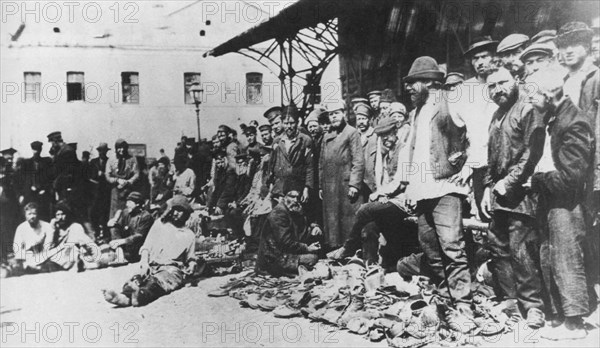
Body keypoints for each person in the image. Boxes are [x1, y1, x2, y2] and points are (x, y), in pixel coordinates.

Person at [401, 56, 473, 324]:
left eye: (413, 83)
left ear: (430, 82)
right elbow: (414, 154)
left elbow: (475, 133)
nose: (409, 88)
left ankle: (464, 304)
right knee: (431, 251)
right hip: (422, 191)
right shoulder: (415, 112)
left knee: (453, 249)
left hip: (446, 190)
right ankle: (445, 301)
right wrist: (409, 186)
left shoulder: (451, 101)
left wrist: (466, 168)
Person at [526, 69, 594, 340]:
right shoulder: (555, 118)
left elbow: (571, 178)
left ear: (548, 95)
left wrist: (537, 179)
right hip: (554, 201)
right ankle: (560, 315)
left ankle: (574, 324)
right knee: (550, 255)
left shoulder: (574, 122)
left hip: (568, 203)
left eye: (534, 96)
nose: (531, 101)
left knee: (566, 257)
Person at [481, 67, 547, 329]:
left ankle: (533, 308)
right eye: (491, 86)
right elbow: (492, 159)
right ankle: (510, 301)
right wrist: (489, 188)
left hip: (520, 194)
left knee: (522, 251)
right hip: (498, 195)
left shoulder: (528, 110)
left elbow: (532, 152)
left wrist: (508, 183)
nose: (497, 89)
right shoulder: (496, 116)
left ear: (516, 81)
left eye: (502, 83)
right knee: (498, 248)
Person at [329, 117, 416, 266]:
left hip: (402, 202)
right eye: (382, 136)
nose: (385, 139)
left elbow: (401, 183)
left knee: (364, 210)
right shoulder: (387, 153)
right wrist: (382, 193)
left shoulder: (403, 150)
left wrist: (383, 194)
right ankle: (370, 266)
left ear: (396, 132)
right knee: (369, 227)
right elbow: (383, 180)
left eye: (388, 135)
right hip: (389, 200)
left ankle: (348, 248)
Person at [102, 195, 197, 307]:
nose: (176, 213)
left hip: (172, 268)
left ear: (186, 213)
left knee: (157, 283)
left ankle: (138, 296)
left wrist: (192, 264)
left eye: (180, 211)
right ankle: (123, 297)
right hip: (151, 264)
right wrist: (144, 262)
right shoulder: (160, 224)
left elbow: (191, 257)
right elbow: (146, 246)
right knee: (136, 279)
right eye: (174, 210)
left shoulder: (189, 235)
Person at [453, 36, 499, 221]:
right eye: (475, 58)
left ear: (494, 57)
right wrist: (465, 166)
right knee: (483, 214)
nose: (480, 62)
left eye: (484, 57)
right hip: (479, 163)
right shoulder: (465, 90)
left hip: (502, 161)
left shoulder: (503, 83)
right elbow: (460, 131)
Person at [319, 101, 364, 249]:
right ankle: (335, 249)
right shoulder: (326, 136)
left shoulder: (351, 132)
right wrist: (321, 186)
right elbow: (321, 163)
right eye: (331, 115)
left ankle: (350, 250)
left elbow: (358, 160)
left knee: (347, 219)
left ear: (344, 114)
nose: (334, 117)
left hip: (345, 185)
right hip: (330, 185)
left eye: (336, 113)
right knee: (332, 219)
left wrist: (354, 184)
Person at [256, 189, 322, 276]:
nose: (295, 200)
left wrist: (314, 227)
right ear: (284, 197)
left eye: (297, 197)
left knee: (316, 255)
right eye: (292, 197)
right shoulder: (279, 213)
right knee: (313, 258)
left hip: (287, 252)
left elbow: (306, 223)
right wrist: (307, 248)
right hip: (274, 257)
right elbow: (285, 243)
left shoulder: (294, 209)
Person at [265, 107, 314, 202]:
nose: (289, 126)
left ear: (297, 123)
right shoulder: (277, 141)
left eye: (292, 123)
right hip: (279, 188)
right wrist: (271, 185)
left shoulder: (305, 140)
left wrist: (307, 188)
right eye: (286, 123)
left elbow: (309, 167)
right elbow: (271, 165)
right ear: (282, 123)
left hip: (296, 187)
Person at [45, 201, 98, 271]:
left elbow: (87, 242)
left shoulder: (75, 227)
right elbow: (47, 248)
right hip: (58, 255)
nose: (60, 217)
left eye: (63, 214)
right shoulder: (54, 229)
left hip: (72, 253)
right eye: (58, 215)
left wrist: (95, 255)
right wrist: (52, 229)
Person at [107, 191, 154, 262]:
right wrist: (112, 223)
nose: (126, 204)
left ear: (137, 204)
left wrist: (121, 241)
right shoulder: (126, 213)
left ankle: (119, 255)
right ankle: (119, 251)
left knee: (111, 258)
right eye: (127, 202)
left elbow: (139, 236)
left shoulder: (146, 216)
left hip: (137, 249)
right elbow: (119, 227)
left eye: (129, 202)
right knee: (113, 228)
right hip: (124, 246)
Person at [10, 203, 55, 275]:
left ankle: (38, 268)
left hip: (43, 256)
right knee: (16, 263)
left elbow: (48, 245)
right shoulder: (21, 228)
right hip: (27, 256)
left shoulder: (46, 226)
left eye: (34, 213)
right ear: (25, 215)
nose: (32, 216)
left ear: (38, 214)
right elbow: (16, 248)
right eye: (29, 214)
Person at [16, 141, 53, 221]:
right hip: (29, 195)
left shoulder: (46, 162)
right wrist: (21, 194)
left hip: (43, 195)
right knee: (29, 215)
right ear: (32, 150)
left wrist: (45, 189)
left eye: (38, 150)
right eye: (34, 150)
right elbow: (21, 180)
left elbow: (50, 178)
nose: (36, 152)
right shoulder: (26, 163)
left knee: (43, 216)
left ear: (41, 150)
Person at [105, 139, 139, 218]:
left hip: (128, 190)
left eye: (124, 147)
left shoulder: (132, 159)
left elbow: (136, 174)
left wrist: (128, 182)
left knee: (127, 211)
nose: (122, 150)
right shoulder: (111, 159)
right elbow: (107, 175)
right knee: (115, 213)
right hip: (116, 190)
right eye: (119, 148)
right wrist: (117, 180)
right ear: (116, 148)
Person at [225, 154, 253, 239]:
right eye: (238, 164)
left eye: (242, 163)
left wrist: (237, 203)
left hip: (246, 203)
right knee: (227, 211)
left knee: (234, 213)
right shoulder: (238, 177)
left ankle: (241, 235)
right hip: (238, 202)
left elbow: (246, 192)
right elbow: (234, 192)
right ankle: (236, 235)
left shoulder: (248, 177)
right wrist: (232, 202)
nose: (240, 166)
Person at [355, 104, 377, 198]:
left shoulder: (375, 136)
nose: (361, 122)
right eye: (359, 119)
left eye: (363, 118)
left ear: (369, 119)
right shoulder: (354, 136)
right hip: (358, 182)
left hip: (372, 182)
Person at [89, 143, 112, 236]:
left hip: (106, 192)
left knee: (105, 213)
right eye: (100, 151)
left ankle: (106, 233)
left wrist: (104, 175)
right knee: (94, 213)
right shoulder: (93, 162)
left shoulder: (109, 161)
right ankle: (96, 231)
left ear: (106, 151)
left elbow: (112, 175)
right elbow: (89, 176)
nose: (101, 153)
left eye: (103, 151)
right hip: (95, 192)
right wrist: (96, 176)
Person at [208, 151, 236, 216]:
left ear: (226, 160)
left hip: (228, 201)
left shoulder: (230, 172)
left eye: (222, 162)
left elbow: (228, 190)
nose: (220, 165)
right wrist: (210, 205)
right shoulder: (219, 172)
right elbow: (216, 190)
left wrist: (219, 205)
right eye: (218, 163)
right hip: (220, 201)